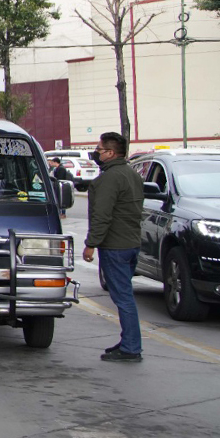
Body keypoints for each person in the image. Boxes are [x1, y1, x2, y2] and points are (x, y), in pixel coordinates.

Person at [82, 132, 145, 362]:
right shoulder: (131, 174)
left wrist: (91, 244)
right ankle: (128, 340)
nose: (96, 153)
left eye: (99, 150)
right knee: (125, 295)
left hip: (115, 246)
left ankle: (131, 347)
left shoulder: (109, 179)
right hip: (131, 244)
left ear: (110, 153)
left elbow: (102, 215)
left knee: (123, 298)